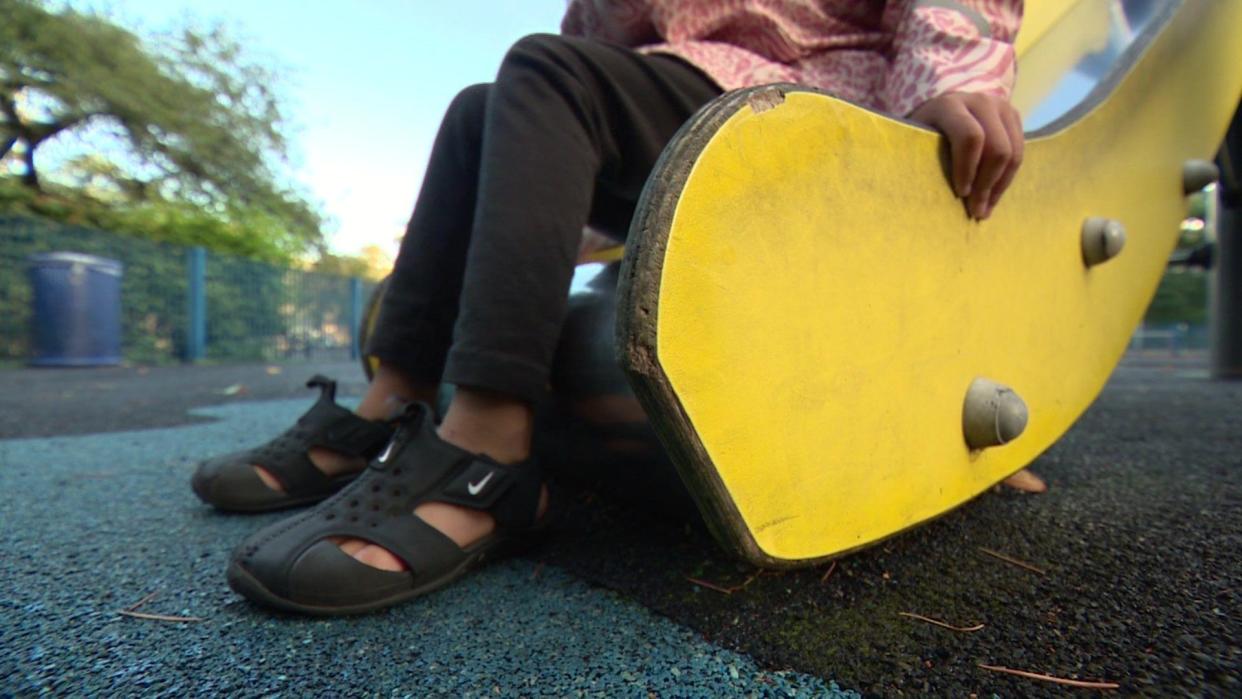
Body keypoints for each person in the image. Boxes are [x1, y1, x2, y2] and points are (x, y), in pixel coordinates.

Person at [193, 0, 1029, 615]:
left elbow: (950, 17)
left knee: (547, 72)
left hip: (812, 114)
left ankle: (490, 452)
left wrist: (946, 89)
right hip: (684, 96)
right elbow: (600, 35)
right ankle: (390, 406)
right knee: (479, 110)